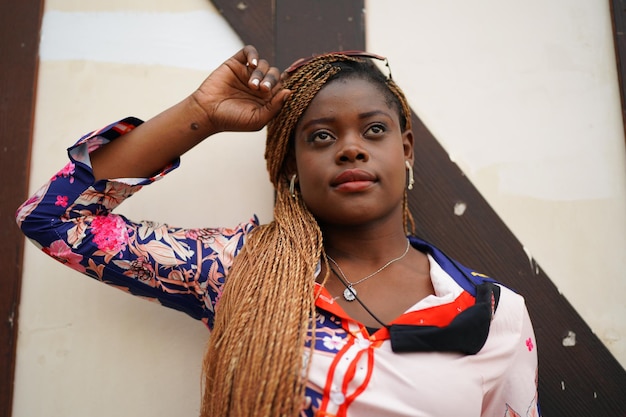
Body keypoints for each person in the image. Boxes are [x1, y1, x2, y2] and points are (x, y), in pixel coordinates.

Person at [16, 45, 540, 417]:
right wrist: (200, 113)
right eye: (320, 136)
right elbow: (55, 219)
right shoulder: (232, 269)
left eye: (374, 130)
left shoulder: (495, 313)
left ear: (404, 149)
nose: (350, 148)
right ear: (291, 164)